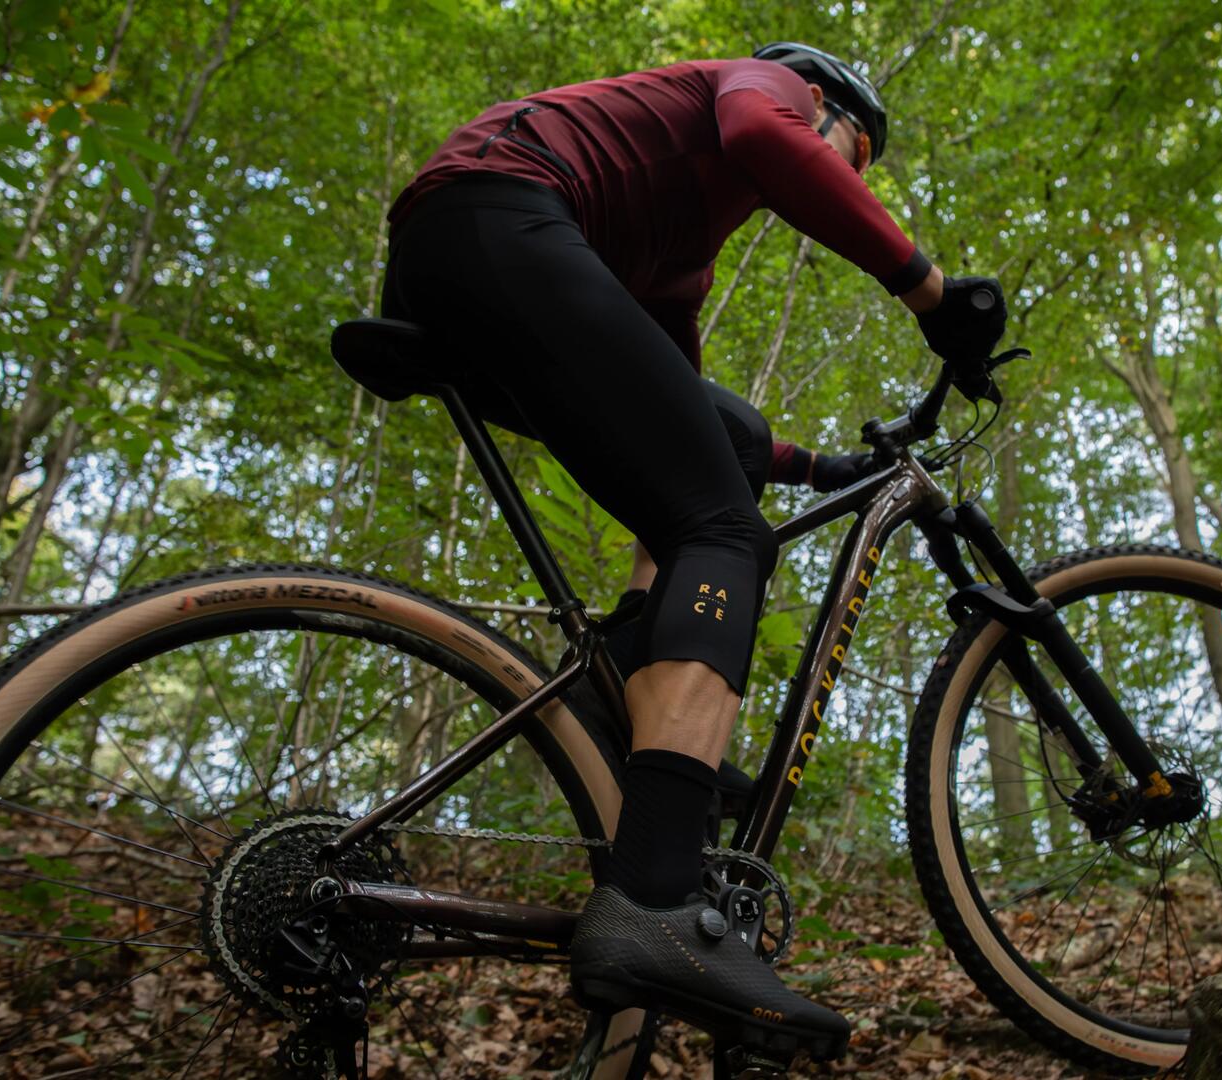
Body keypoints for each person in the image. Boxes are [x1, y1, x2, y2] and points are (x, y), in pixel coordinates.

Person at [380, 42, 1007, 1060]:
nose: (855, 174)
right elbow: (769, 138)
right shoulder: (764, 91)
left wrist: (818, 467)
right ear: (829, 106)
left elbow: (681, 412)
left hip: (463, 259)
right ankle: (657, 899)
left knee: (699, 517)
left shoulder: (680, 249)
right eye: (860, 153)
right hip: (499, 216)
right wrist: (932, 293)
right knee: (726, 534)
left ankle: (625, 700)